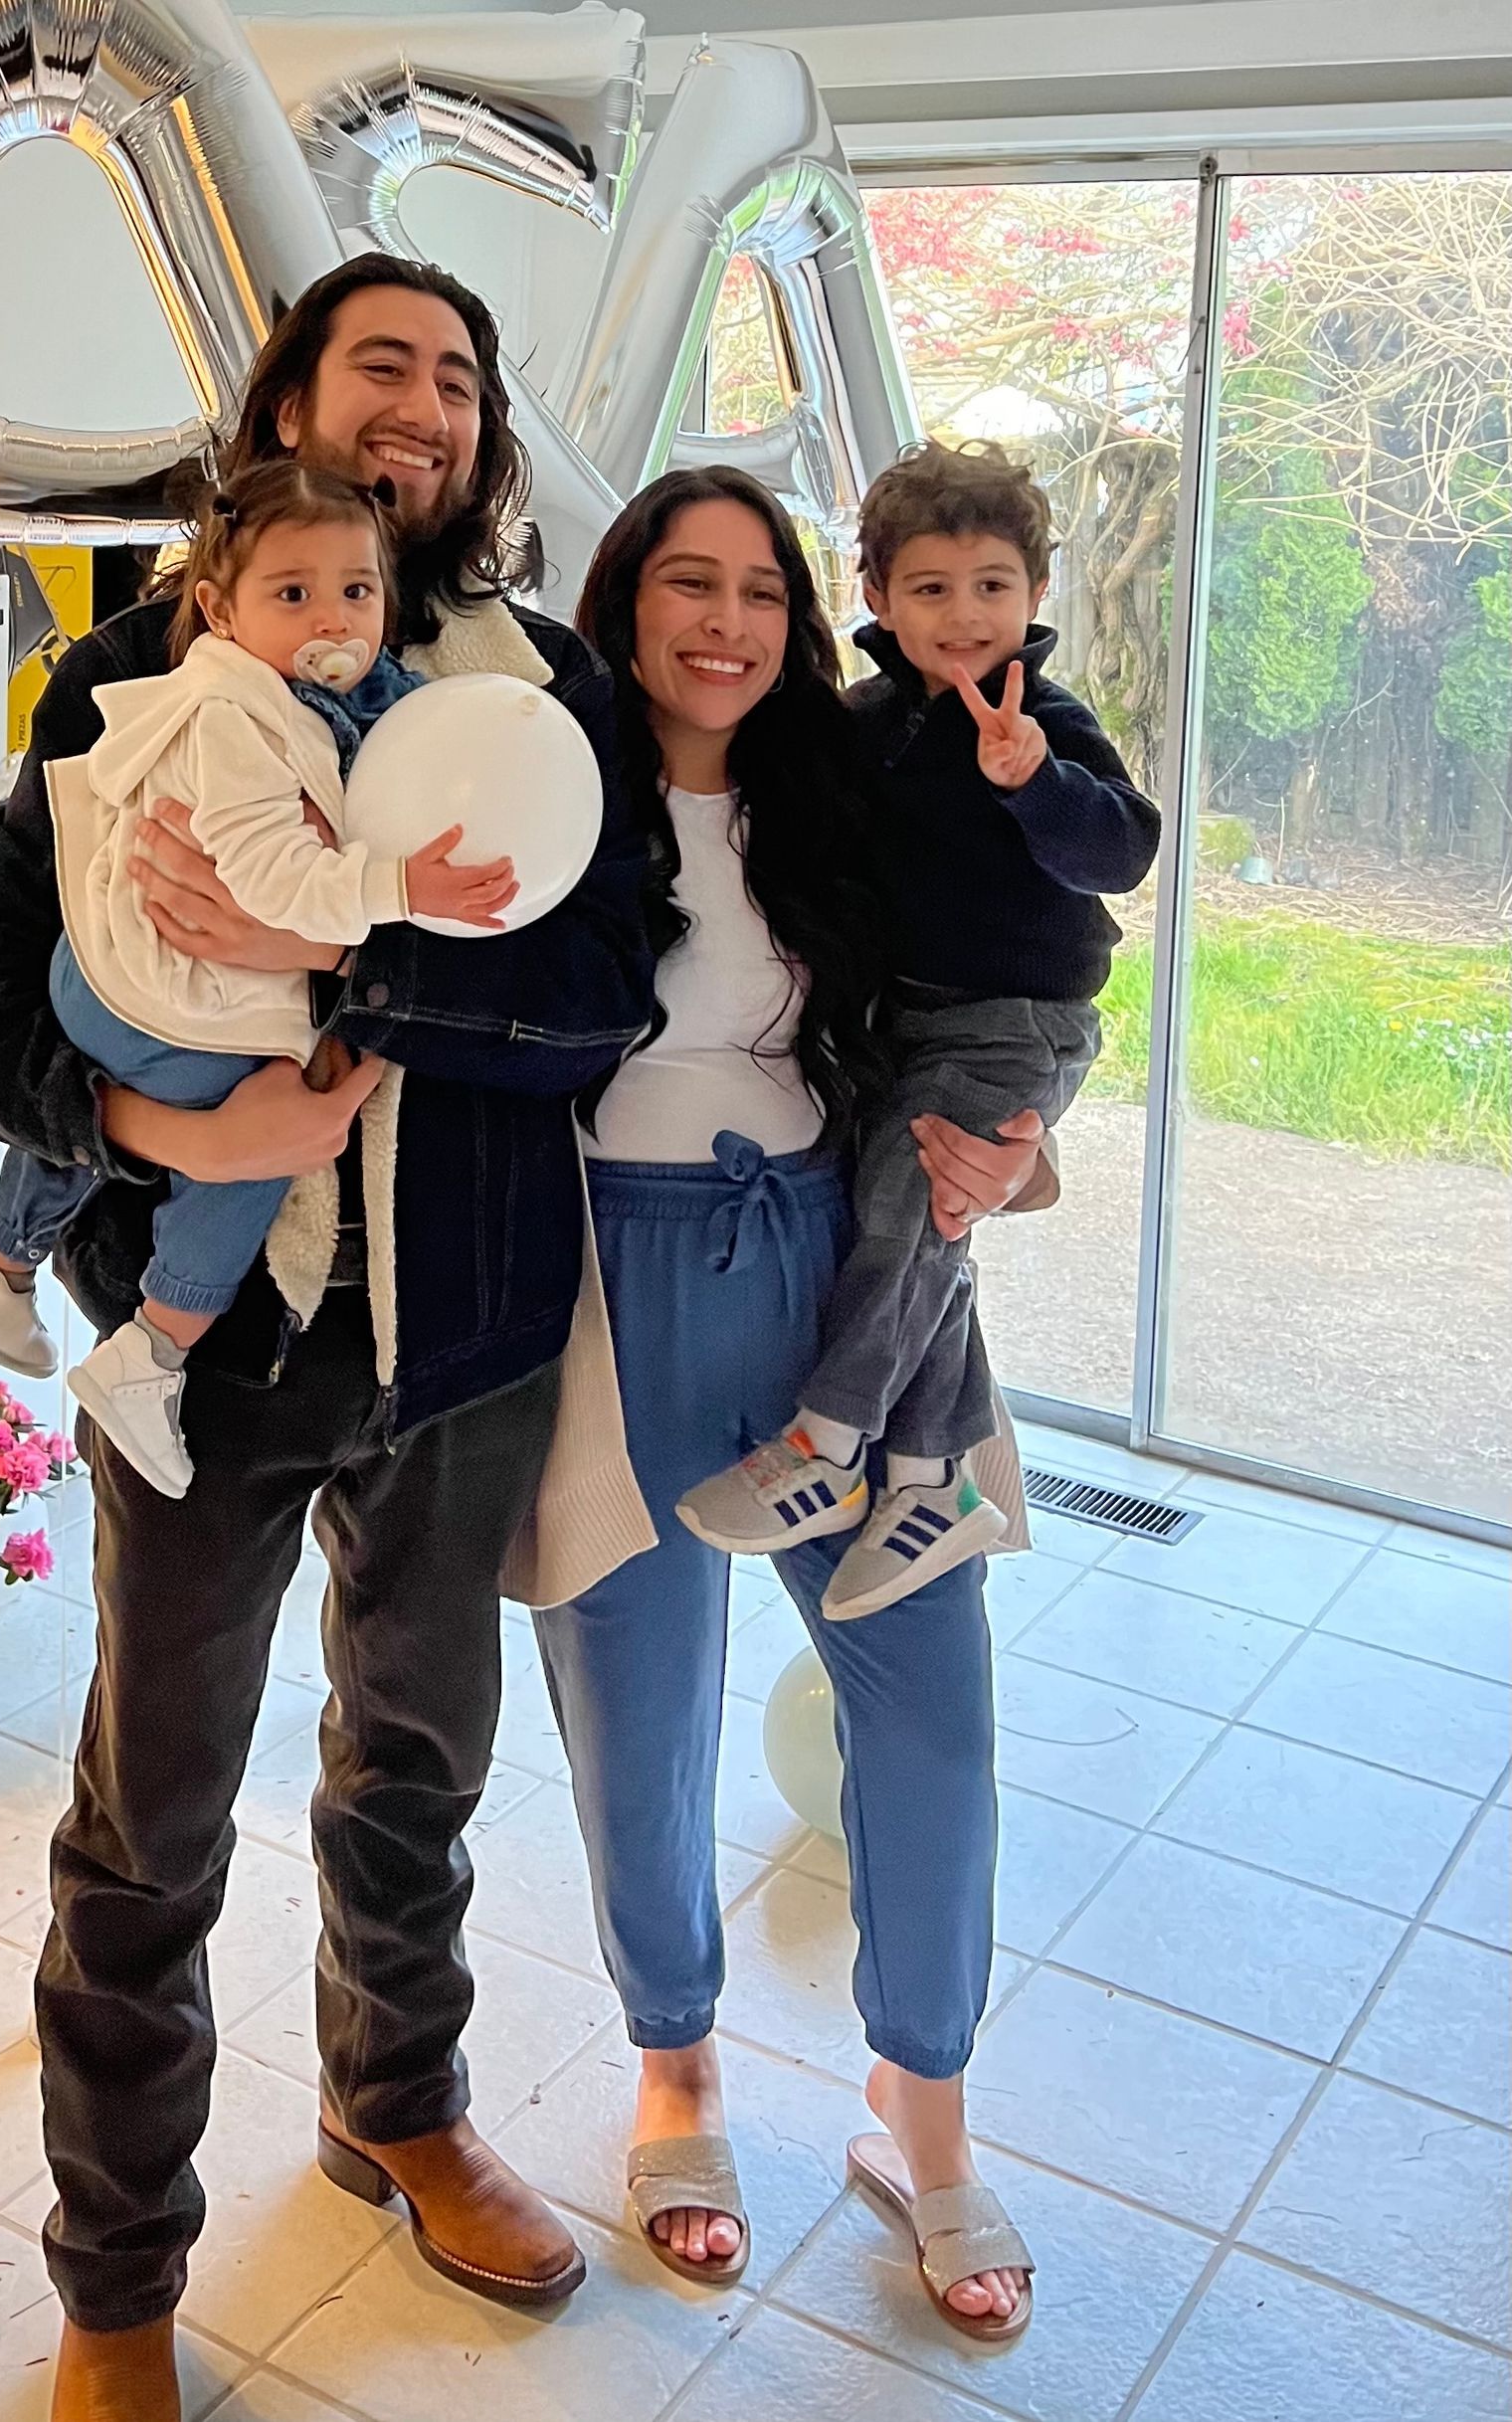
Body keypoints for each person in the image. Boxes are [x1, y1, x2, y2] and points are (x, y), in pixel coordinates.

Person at [0, 255, 652, 2422]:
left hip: (457, 1339)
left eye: (456, 375)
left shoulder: (542, 683)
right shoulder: (143, 675)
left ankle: (395, 2101)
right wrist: (157, 1110)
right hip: (208, 1339)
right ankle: (116, 2272)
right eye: (380, 365)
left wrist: (366, 968)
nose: (421, 404)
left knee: (415, 1759)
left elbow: (599, 997)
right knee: (153, 1813)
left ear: (477, 432)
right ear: (298, 408)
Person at [533, 465, 1049, 2340]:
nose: (729, 620)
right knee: (636, 1707)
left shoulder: (852, 785)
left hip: (847, 1281)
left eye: (761, 587)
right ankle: (675, 2066)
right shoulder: (547, 784)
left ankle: (922, 2101)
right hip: (615, 1286)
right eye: (690, 582)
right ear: (626, 602)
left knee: (932, 1703)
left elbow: (1002, 980)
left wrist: (1018, 1148)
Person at [0, 462, 515, 1499]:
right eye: (293, 595)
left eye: (357, 592)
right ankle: (151, 1350)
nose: (330, 618)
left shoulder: (310, 688)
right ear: (218, 607)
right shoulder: (233, 714)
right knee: (256, 1147)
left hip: (114, 986)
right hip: (162, 1001)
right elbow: (271, 880)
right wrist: (398, 886)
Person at [677, 441, 1159, 1619]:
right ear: (877, 596)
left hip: (1017, 1020)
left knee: (912, 1210)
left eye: (993, 585)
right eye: (931, 589)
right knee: (916, 1222)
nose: (964, 614)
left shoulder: (1042, 717)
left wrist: (1034, 779)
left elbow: (1126, 849)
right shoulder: (867, 719)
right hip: (906, 1018)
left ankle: (831, 1444)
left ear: (1036, 595)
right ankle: (936, 1482)